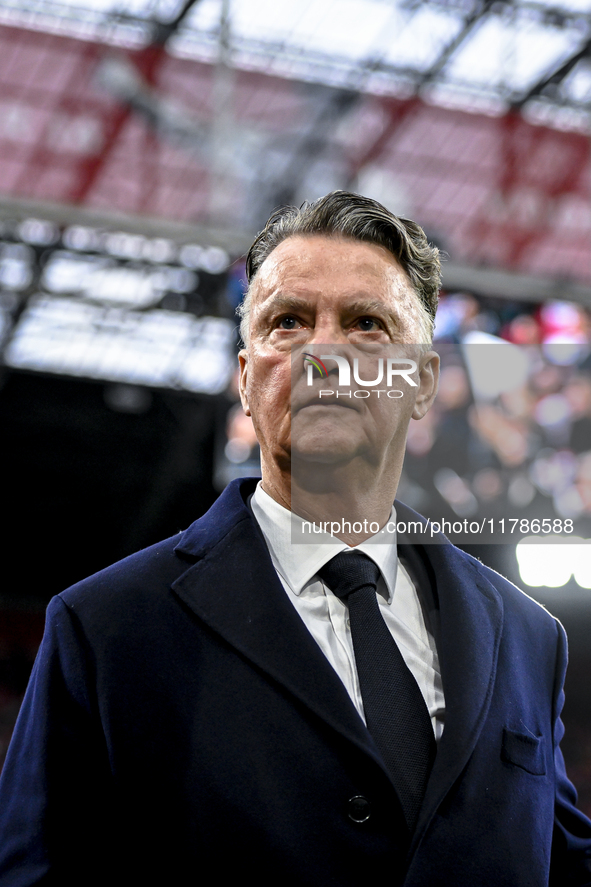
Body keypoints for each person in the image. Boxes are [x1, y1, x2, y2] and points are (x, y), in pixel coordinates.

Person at [0, 191, 590, 886]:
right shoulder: (103, 626)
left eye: (367, 324)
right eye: (288, 322)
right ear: (247, 379)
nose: (325, 353)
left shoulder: (527, 637)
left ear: (423, 382)